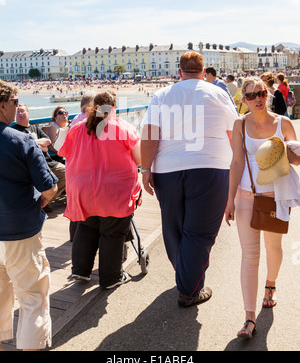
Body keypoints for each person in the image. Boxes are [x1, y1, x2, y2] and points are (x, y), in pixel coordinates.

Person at [140, 52, 237, 307]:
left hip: (168, 169)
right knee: (200, 232)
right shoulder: (218, 94)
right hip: (210, 168)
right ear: (204, 73)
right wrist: (239, 168)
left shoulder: (162, 95)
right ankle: (189, 289)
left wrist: (145, 169)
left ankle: (186, 277)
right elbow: (234, 133)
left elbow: (150, 134)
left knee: (173, 228)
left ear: (179, 72)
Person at [224, 76, 300, 339]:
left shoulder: (283, 123)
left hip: (276, 197)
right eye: (250, 96)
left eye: (260, 93)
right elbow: (236, 163)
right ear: (243, 100)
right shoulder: (239, 123)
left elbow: (298, 159)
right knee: (249, 255)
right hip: (246, 196)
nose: (257, 99)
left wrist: (292, 153)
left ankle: (271, 284)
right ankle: (249, 318)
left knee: (274, 248)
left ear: (267, 94)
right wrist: (230, 199)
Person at [58, 91, 141, 288]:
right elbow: (140, 159)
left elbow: (63, 151)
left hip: (82, 189)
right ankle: (111, 278)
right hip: (114, 192)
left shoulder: (78, 127)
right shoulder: (123, 127)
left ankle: (80, 270)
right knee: (112, 232)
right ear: (114, 107)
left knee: (86, 227)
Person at [0, 80, 58, 351]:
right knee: (32, 297)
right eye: (15, 102)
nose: (16, 107)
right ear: (2, 106)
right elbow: (49, 187)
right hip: (19, 230)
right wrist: (41, 202)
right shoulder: (22, 140)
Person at [14, 104, 66, 205]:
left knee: (66, 173)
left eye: (22, 111)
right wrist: (40, 145)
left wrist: (31, 142)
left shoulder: (35, 128)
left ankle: (45, 201)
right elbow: (21, 147)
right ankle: (41, 203)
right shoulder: (15, 130)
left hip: (48, 162)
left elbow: (47, 141)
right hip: (32, 165)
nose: (20, 114)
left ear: (28, 113)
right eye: (17, 112)